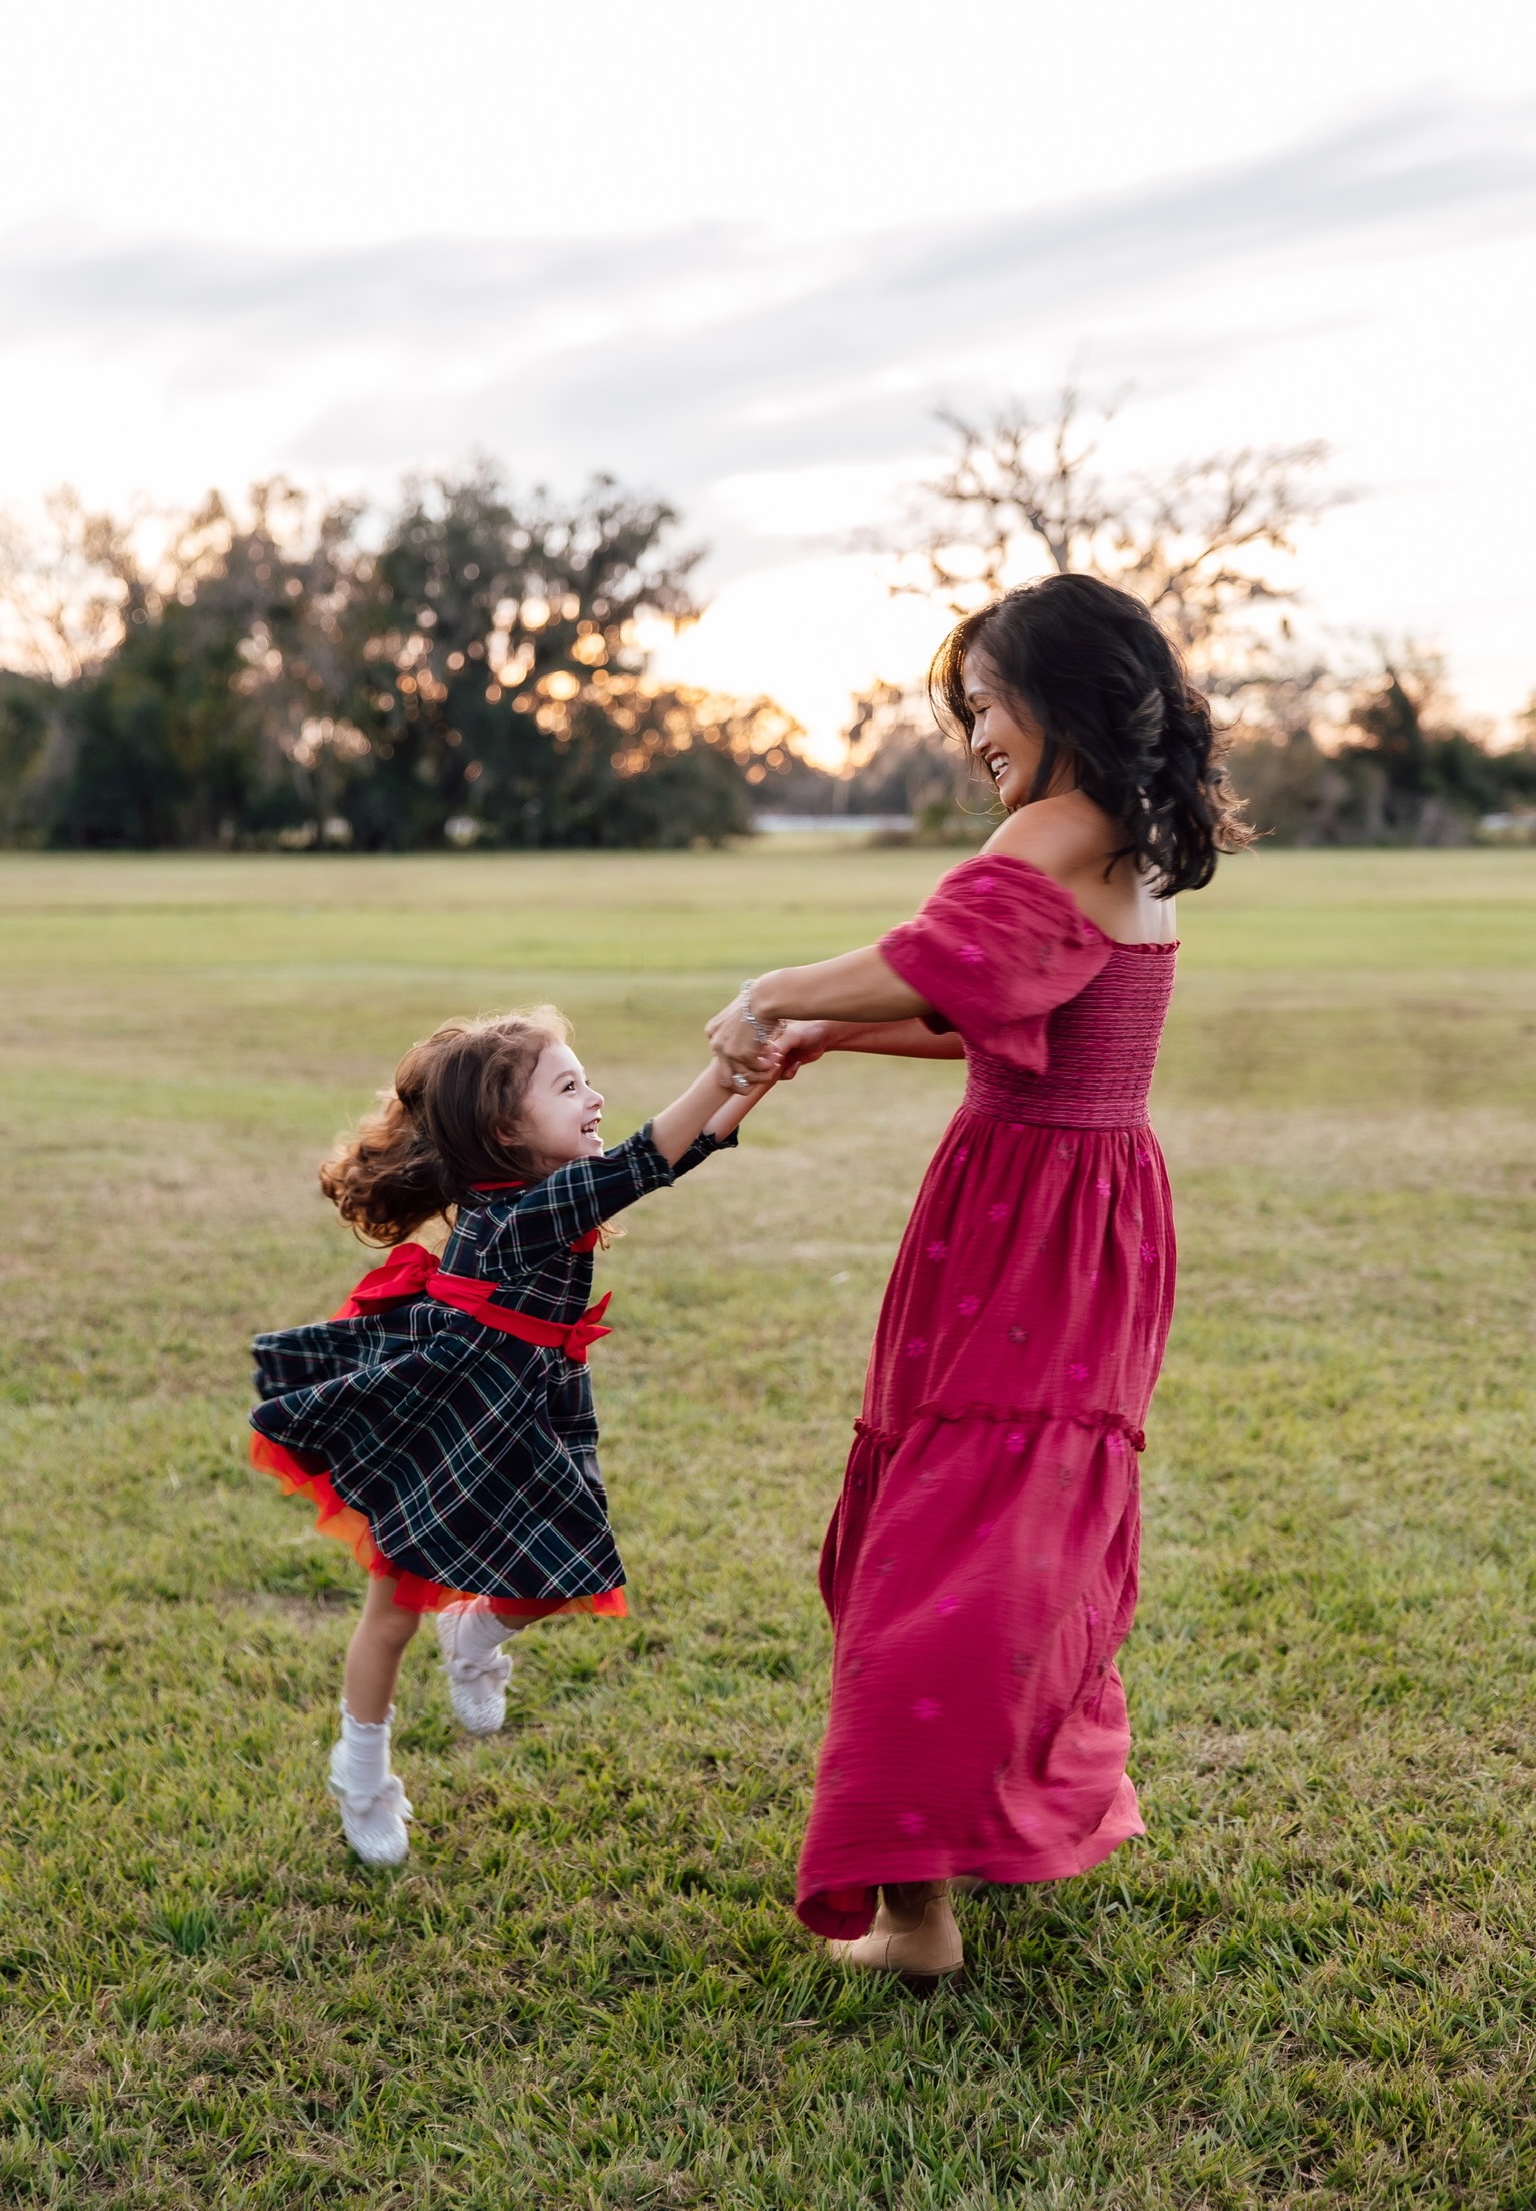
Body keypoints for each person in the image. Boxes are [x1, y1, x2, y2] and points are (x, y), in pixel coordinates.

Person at [709, 572, 1250, 1980]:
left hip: (1024, 1220)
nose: (972, 741)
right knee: (1013, 1534)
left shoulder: (1056, 826)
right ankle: (994, 1825)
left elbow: (928, 958)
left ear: (1057, 698)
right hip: (1086, 1218)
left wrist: (775, 994)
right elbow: (990, 1011)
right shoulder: (1125, 839)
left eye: (984, 707)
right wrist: (837, 1043)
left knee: (936, 1552)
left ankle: (916, 1919)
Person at [251, 1006, 773, 1866]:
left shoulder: (545, 1191)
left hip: (528, 1407)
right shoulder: (528, 1209)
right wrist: (726, 1070)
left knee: (561, 1573)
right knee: (391, 1616)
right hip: (448, 1416)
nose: (595, 1097)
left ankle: (476, 1633)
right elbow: (650, 1160)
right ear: (504, 1130)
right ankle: (362, 1771)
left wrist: (750, 1085)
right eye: (570, 1087)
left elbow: (686, 1150)